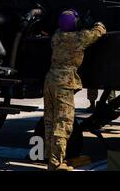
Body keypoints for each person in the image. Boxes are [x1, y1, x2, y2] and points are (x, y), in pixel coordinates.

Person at [43, 9, 106, 171]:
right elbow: (100, 31)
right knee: (63, 122)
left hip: (50, 80)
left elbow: (65, 27)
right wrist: (95, 23)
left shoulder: (57, 37)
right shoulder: (78, 38)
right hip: (64, 83)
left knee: (50, 121)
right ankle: (56, 164)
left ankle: (49, 158)